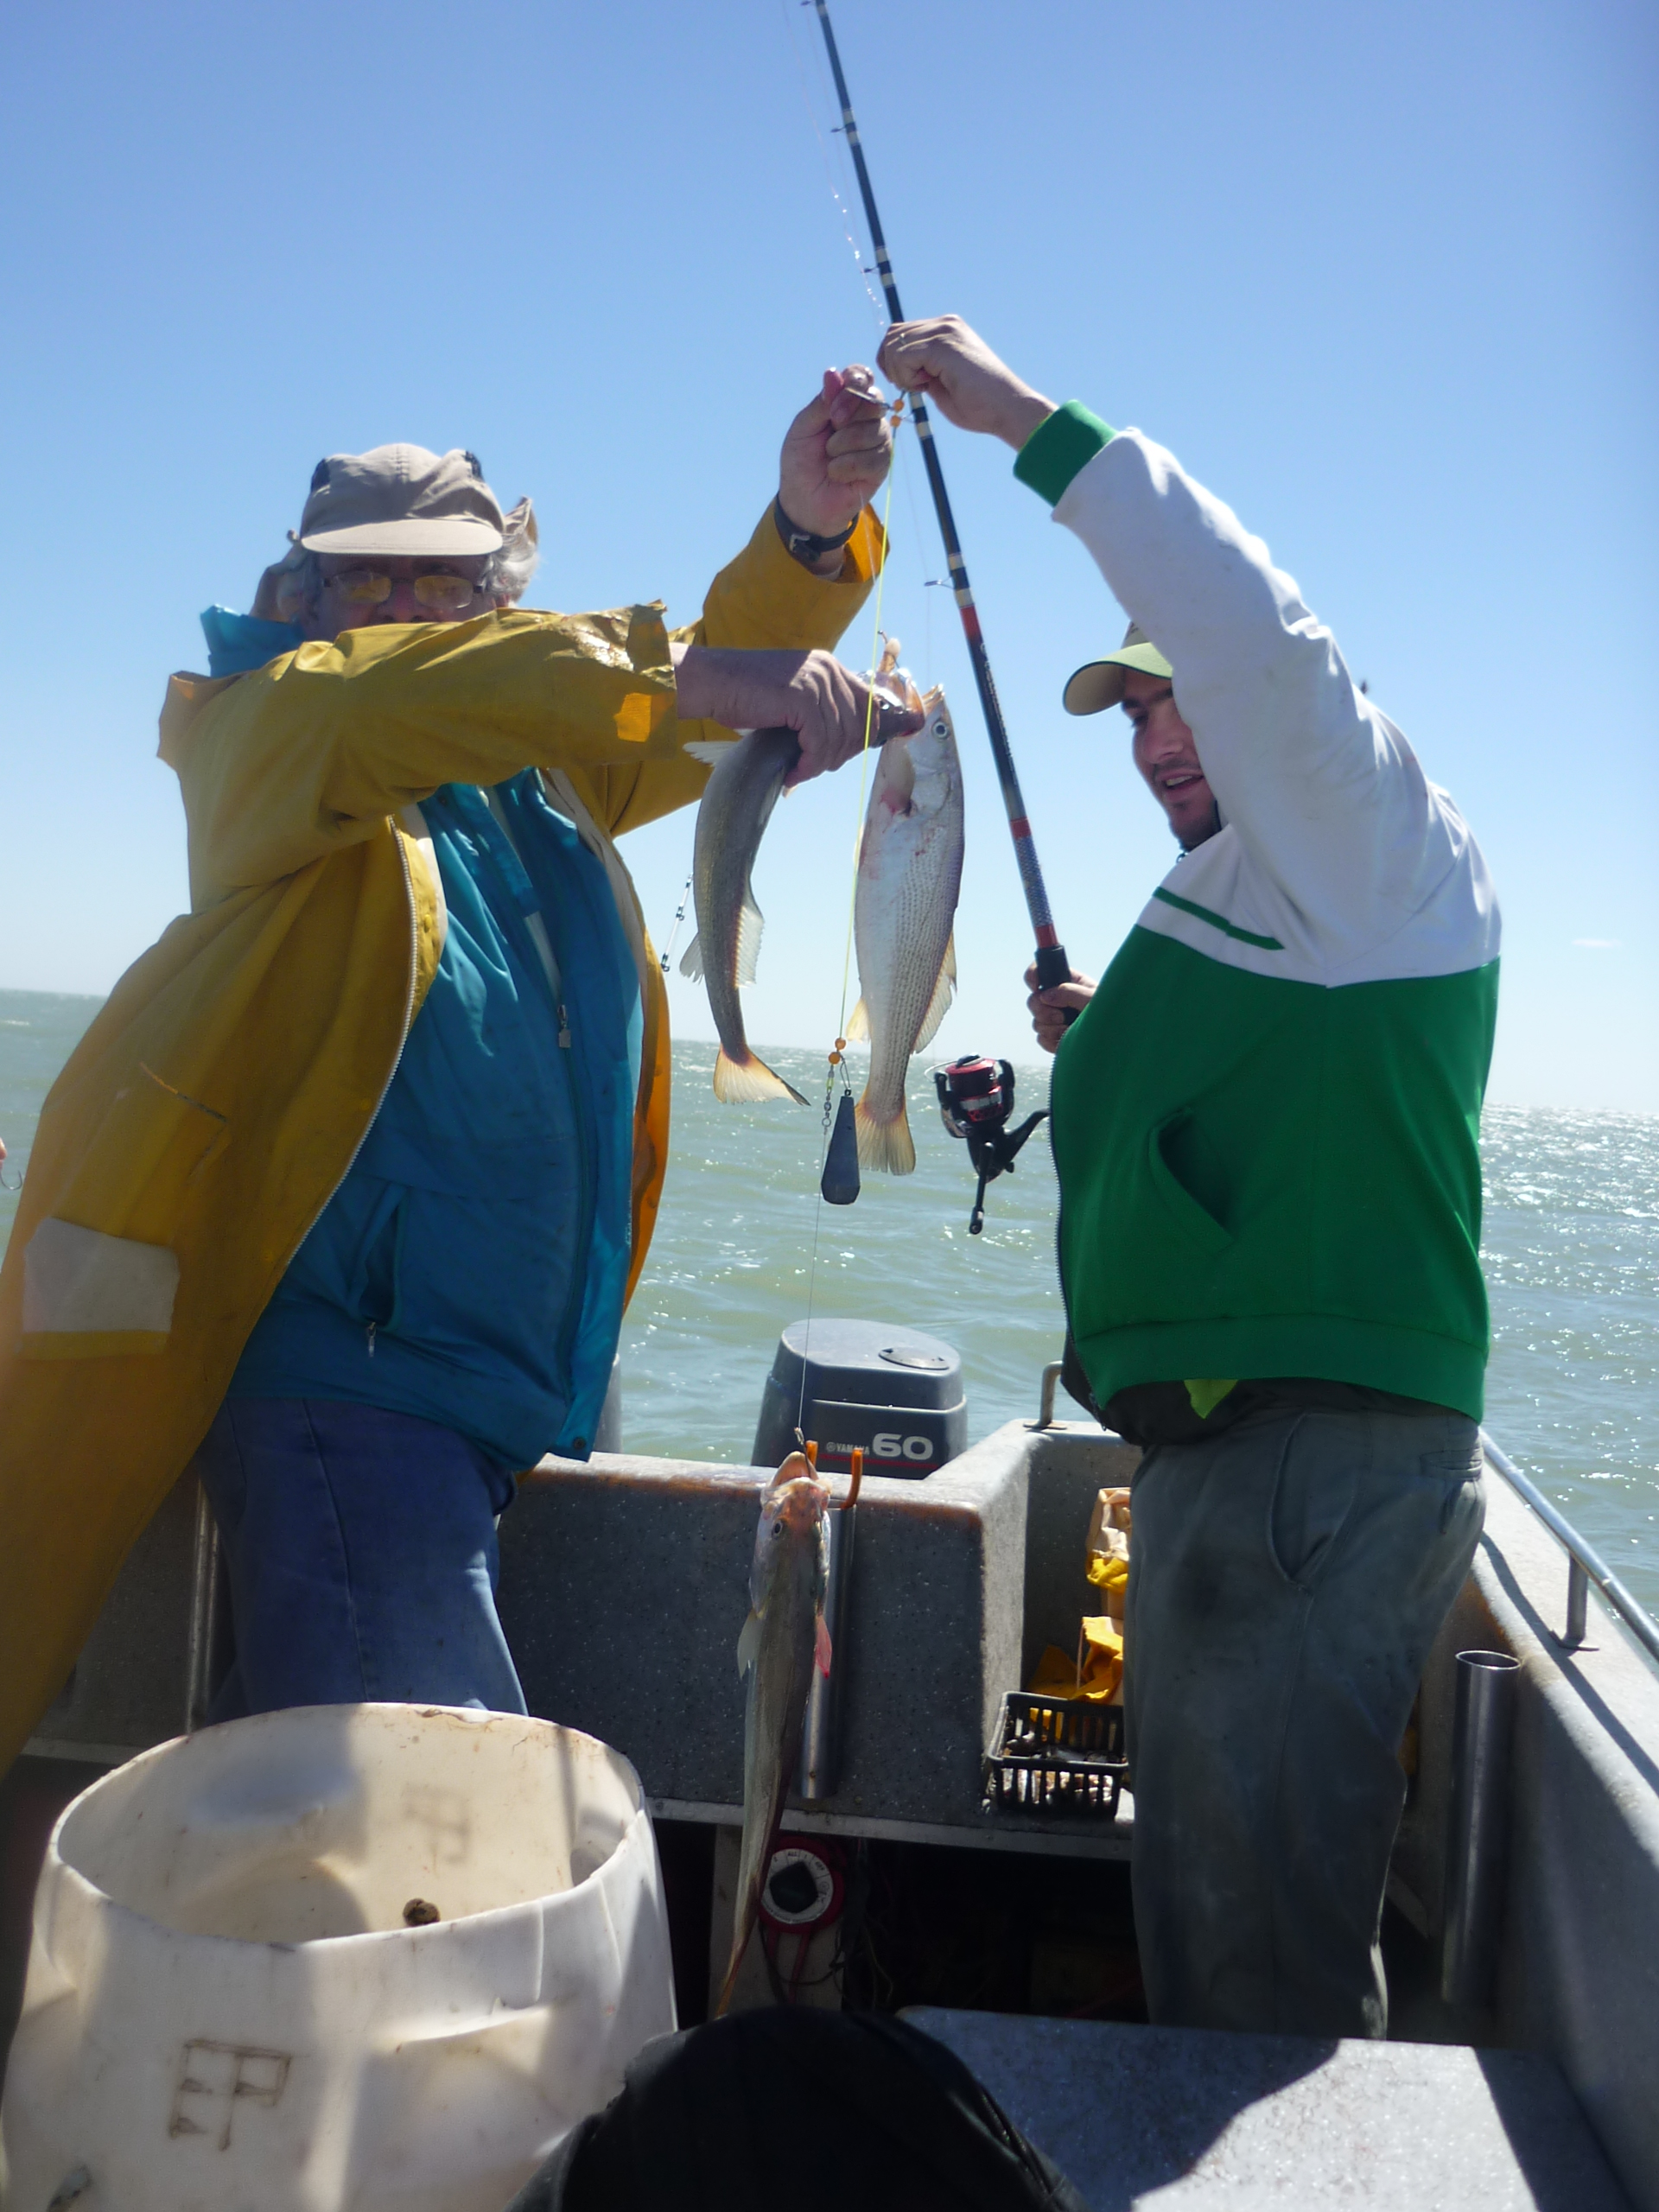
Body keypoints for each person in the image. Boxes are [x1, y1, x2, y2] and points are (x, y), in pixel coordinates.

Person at [0, 368, 915, 1765]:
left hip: (486, 1396)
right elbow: (419, 700)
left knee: (335, 1818)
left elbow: (678, 694)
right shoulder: (269, 730)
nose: (414, 611)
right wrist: (673, 676)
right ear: (306, 600)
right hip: (350, 1385)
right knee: (414, 1824)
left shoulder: (544, 776)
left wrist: (806, 532)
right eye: (375, 587)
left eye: (450, 582)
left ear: (501, 593)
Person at [880, 316, 1498, 2040]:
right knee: (1225, 1926)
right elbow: (1239, 1135)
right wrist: (1106, 1048)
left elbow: (1258, 634)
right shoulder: (1266, 906)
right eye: (1134, 711)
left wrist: (1014, 417)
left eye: (1179, 702)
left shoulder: (1368, 840)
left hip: (1308, 1464)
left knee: (1258, 1967)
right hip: (1235, 1455)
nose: (1157, 736)